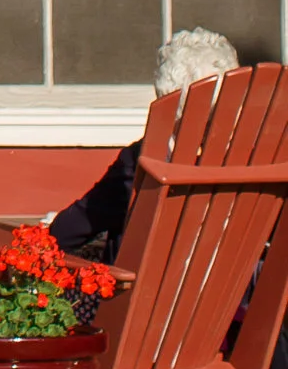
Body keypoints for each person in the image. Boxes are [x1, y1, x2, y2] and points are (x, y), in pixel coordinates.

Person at [51, 25, 241, 260]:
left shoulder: (142, 161)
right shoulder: (256, 158)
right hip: (237, 292)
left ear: (166, 94)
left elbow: (68, 232)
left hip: (150, 293)